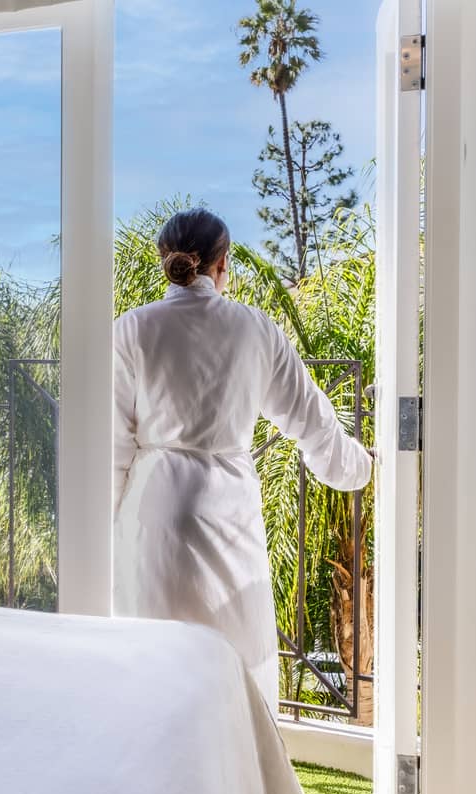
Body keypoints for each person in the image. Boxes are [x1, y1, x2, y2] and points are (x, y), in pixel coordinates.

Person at [111, 208, 372, 714]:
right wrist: (360, 466)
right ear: (222, 263)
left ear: (165, 260)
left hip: (154, 511)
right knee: (235, 665)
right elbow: (311, 419)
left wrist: (109, 527)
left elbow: (113, 446)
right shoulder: (254, 328)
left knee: (153, 670)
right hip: (227, 509)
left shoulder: (132, 329)